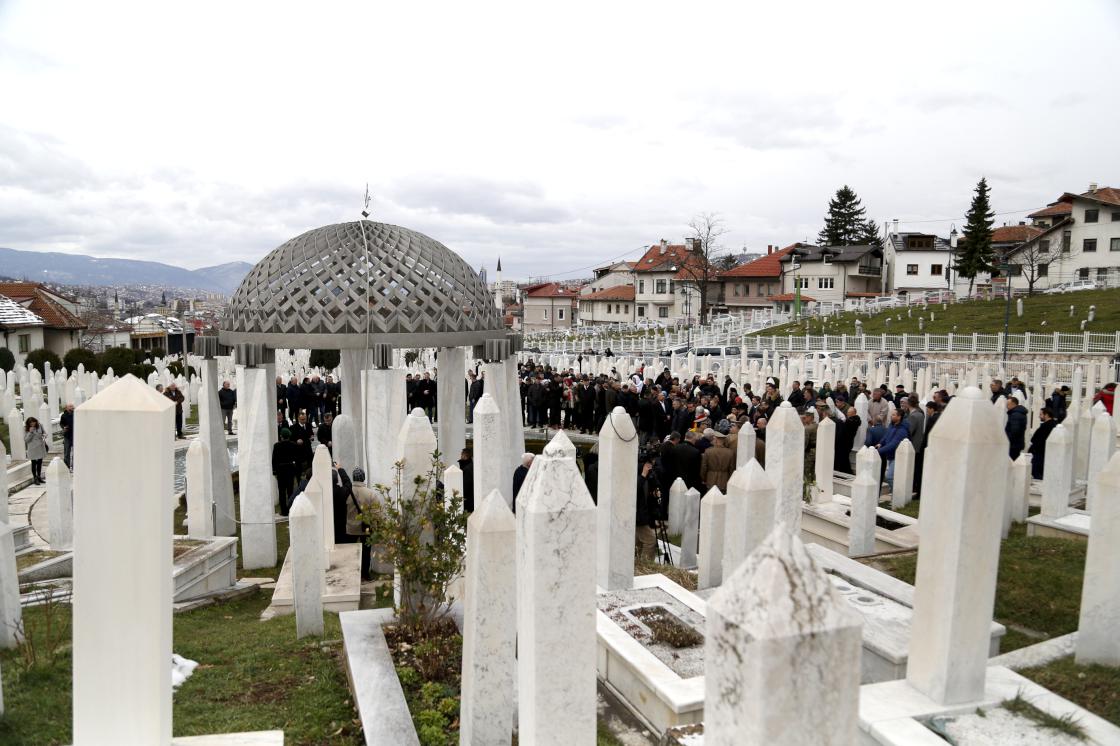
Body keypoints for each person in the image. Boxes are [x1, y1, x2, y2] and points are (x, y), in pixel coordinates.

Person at [345, 467, 376, 581]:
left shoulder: (346, 492)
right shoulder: (370, 493)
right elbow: (376, 512)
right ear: (363, 478)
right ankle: (365, 575)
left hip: (350, 527)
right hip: (365, 527)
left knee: (351, 552)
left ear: (353, 478)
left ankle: (351, 574)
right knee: (366, 552)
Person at [635, 457, 661, 561]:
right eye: (648, 464)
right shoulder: (638, 475)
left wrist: (653, 493)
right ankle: (646, 564)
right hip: (639, 515)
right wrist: (643, 475)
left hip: (643, 514)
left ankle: (637, 563)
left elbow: (654, 485)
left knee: (639, 540)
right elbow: (634, 489)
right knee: (650, 540)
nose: (650, 466)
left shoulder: (648, 476)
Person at [875, 408, 910, 486]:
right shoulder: (892, 424)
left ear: (899, 417)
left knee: (889, 476)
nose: (891, 416)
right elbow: (886, 436)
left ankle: (896, 493)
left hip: (896, 456)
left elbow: (893, 444)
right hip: (890, 455)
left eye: (893, 415)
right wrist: (880, 443)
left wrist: (879, 451)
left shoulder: (902, 430)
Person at [271, 429, 301, 515]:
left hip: (280, 471)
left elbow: (274, 460)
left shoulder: (276, 446)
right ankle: (291, 508)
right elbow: (297, 458)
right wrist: (296, 471)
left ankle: (284, 511)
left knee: (281, 491)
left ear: (281, 436)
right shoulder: (293, 445)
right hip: (290, 469)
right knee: (290, 490)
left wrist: (274, 471)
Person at [1029, 407, 1057, 480]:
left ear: (1046, 415)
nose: (1039, 416)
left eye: (1041, 414)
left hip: (1040, 454)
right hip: (1045, 453)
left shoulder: (1046, 426)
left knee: (1037, 474)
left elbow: (1036, 440)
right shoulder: (1054, 424)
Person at [834, 406, 860, 474]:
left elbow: (845, 429)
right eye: (848, 412)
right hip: (847, 442)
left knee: (843, 457)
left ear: (853, 413)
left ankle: (846, 471)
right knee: (844, 458)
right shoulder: (853, 420)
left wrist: (840, 422)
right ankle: (846, 471)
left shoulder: (851, 421)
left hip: (846, 443)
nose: (847, 414)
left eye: (849, 412)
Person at [24, 416, 49, 485]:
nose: (33, 424)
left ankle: (39, 477)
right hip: (32, 448)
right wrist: (30, 432)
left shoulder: (40, 425)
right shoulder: (26, 429)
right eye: (31, 423)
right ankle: (35, 478)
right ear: (28, 423)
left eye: (33, 422)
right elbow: (26, 440)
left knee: (40, 462)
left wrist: (45, 435)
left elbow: (45, 433)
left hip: (40, 446)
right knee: (34, 463)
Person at [59, 403, 75, 469]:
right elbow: (61, 423)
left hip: (74, 436)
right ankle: (67, 467)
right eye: (70, 406)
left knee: (75, 452)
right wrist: (64, 427)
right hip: (67, 436)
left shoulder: (76, 414)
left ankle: (75, 466)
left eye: (72, 406)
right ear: (67, 408)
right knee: (67, 453)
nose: (72, 407)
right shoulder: (63, 415)